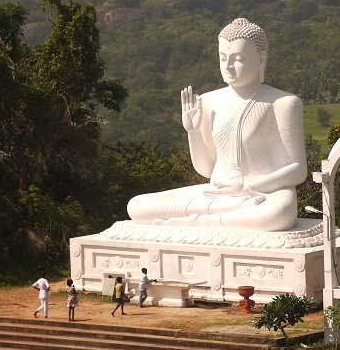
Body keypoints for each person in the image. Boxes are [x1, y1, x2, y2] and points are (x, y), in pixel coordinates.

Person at [127, 18, 307, 231]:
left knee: (277, 215)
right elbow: (206, 169)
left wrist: (247, 189)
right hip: (217, 194)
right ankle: (210, 219)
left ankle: (193, 222)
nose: (228, 67)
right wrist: (193, 132)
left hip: (262, 195)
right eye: (223, 58)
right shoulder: (208, 101)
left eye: (238, 58)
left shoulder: (283, 103)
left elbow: (297, 170)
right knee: (136, 206)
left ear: (260, 58)